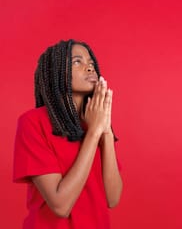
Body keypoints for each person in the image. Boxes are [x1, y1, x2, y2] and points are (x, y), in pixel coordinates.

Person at [13, 39, 123, 229]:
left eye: (91, 63)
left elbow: (112, 199)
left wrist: (104, 131)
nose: (89, 68)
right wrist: (93, 134)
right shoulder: (33, 123)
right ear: (56, 72)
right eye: (77, 61)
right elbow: (60, 205)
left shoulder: (95, 121)